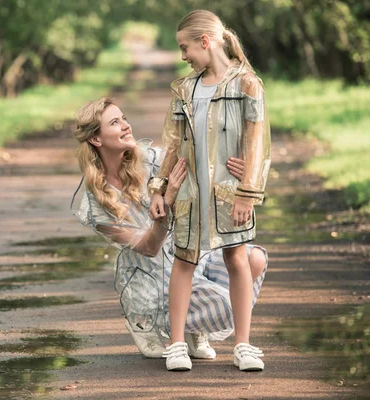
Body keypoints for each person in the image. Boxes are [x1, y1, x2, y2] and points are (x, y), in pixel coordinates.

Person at [71, 97, 267, 368]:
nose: (126, 126)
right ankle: (147, 321)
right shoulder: (94, 204)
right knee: (226, 303)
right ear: (96, 139)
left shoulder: (150, 159)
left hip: (189, 254)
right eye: (114, 123)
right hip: (152, 280)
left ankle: (196, 324)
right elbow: (149, 248)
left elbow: (201, 167)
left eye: (124, 118)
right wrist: (169, 198)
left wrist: (245, 178)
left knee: (253, 259)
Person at [149, 10, 271, 371]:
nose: (183, 56)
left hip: (229, 192)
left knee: (237, 258)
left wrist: (247, 191)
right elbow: (172, 144)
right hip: (189, 192)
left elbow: (257, 140)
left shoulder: (247, 84)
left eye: (185, 47)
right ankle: (175, 346)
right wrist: (159, 187)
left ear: (205, 41)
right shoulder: (184, 89)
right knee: (184, 260)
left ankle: (244, 345)